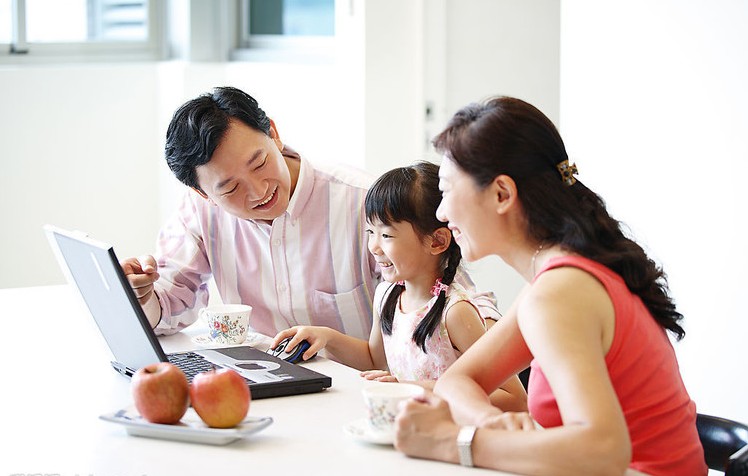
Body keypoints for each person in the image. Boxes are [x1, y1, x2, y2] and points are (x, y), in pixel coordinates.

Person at [393, 97, 706, 475]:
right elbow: (458, 379)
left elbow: (604, 450)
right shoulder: (556, 280)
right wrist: (491, 423)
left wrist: (453, 442)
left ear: (502, 194)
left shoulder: (558, 294)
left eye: (446, 191)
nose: (441, 212)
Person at [120, 86, 500, 341]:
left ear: (274, 133)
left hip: (365, 390)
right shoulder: (199, 213)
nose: (258, 191)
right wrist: (143, 295)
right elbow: (173, 305)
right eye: (230, 188)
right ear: (201, 192)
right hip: (266, 388)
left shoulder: (363, 203)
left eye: (259, 163)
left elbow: (453, 295)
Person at [270, 162, 526, 408]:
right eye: (370, 232)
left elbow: (514, 399)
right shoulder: (386, 294)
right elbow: (373, 359)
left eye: (387, 235)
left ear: (437, 241)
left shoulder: (455, 312)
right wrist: (327, 337)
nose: (374, 246)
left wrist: (414, 389)